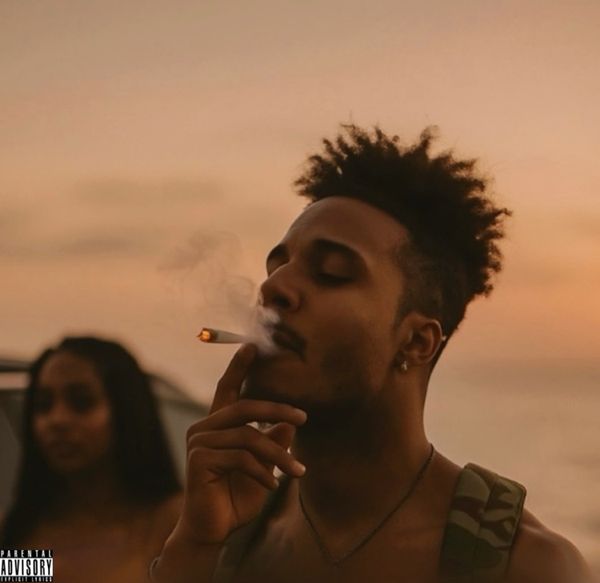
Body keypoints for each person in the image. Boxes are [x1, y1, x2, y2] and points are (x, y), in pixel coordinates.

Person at [152, 126, 592, 582]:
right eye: (277, 267)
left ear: (416, 342)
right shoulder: (226, 533)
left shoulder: (526, 566)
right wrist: (194, 547)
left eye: (331, 273)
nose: (274, 287)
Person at [0, 336, 182, 583]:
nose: (57, 420)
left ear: (126, 410)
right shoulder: (22, 529)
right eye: (43, 405)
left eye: (81, 402)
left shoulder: (172, 523)